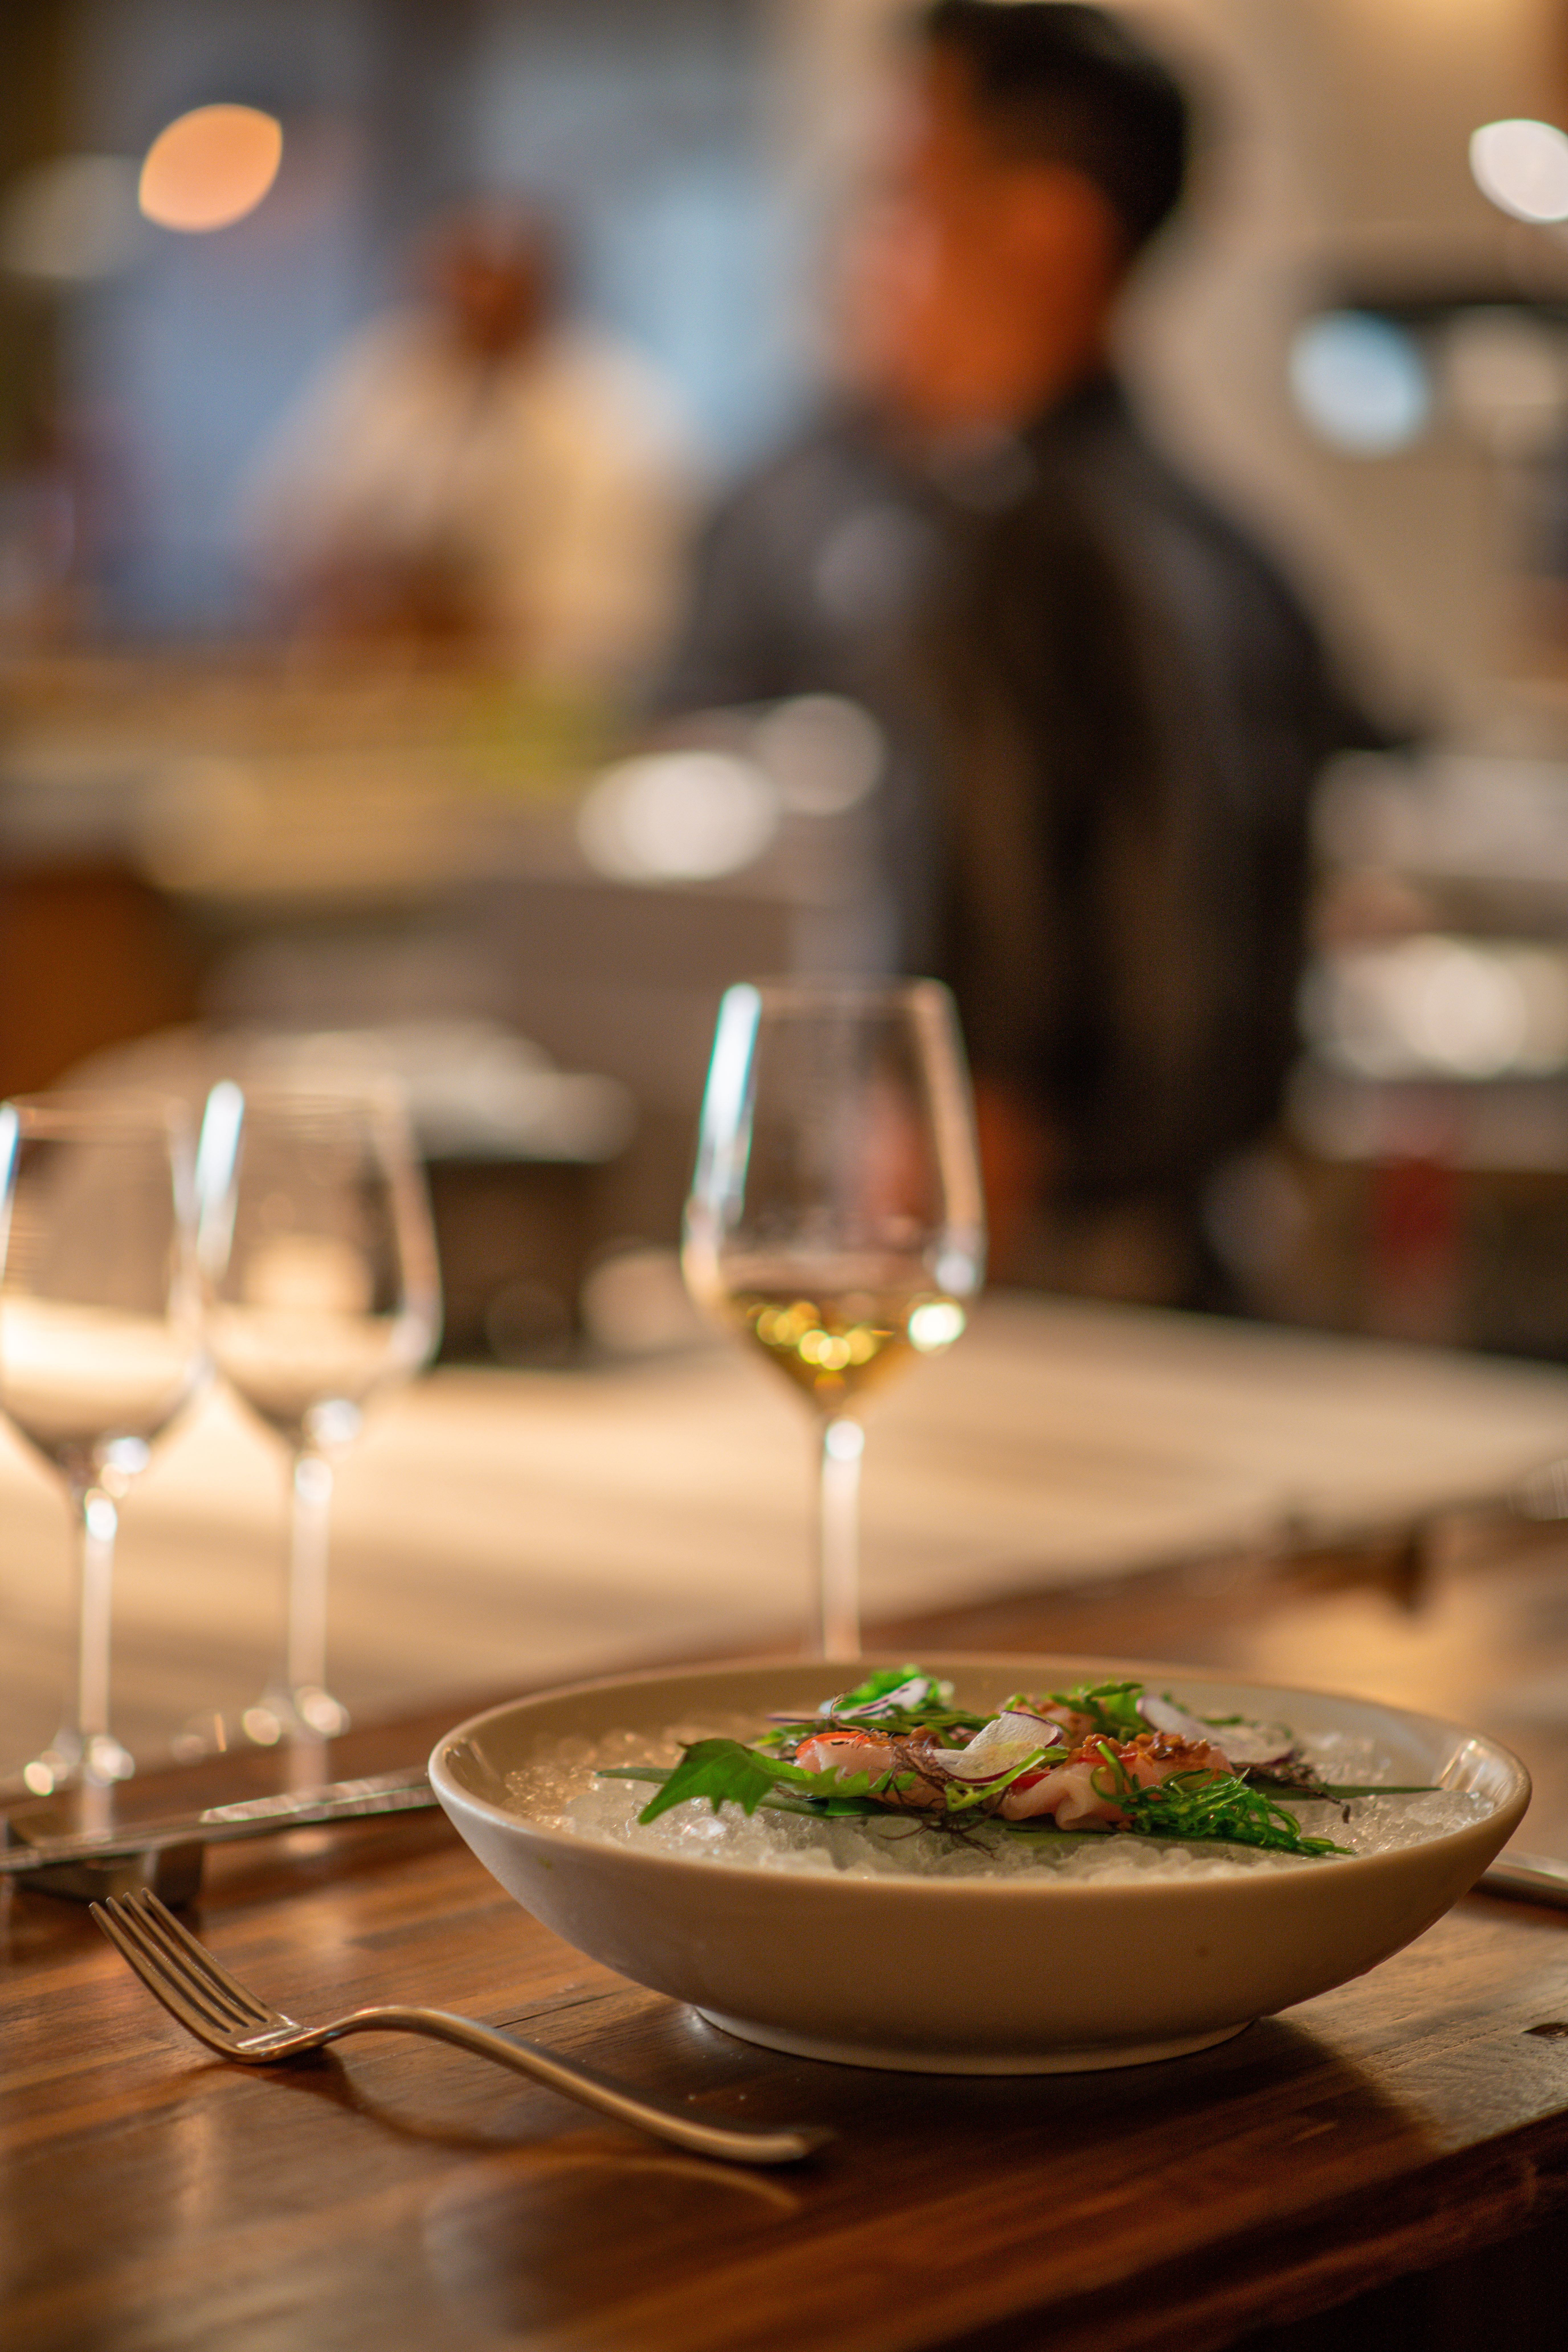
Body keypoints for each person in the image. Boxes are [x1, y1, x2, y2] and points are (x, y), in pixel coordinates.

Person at [656, 1, 1381, 1302]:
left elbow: (989, 1033)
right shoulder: (1220, 536)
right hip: (1209, 1264)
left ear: (1046, 234)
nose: (860, 253)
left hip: (1054, 1282)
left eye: (897, 197)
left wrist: (904, 1263)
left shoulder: (1007, 546)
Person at [242, 201, 694, 689]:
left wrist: (466, 622)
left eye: (504, 289)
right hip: (359, 685)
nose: (481, 304)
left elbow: (617, 620)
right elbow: (284, 525)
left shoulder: (617, 415)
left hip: (529, 702)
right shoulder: (386, 376)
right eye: (464, 283)